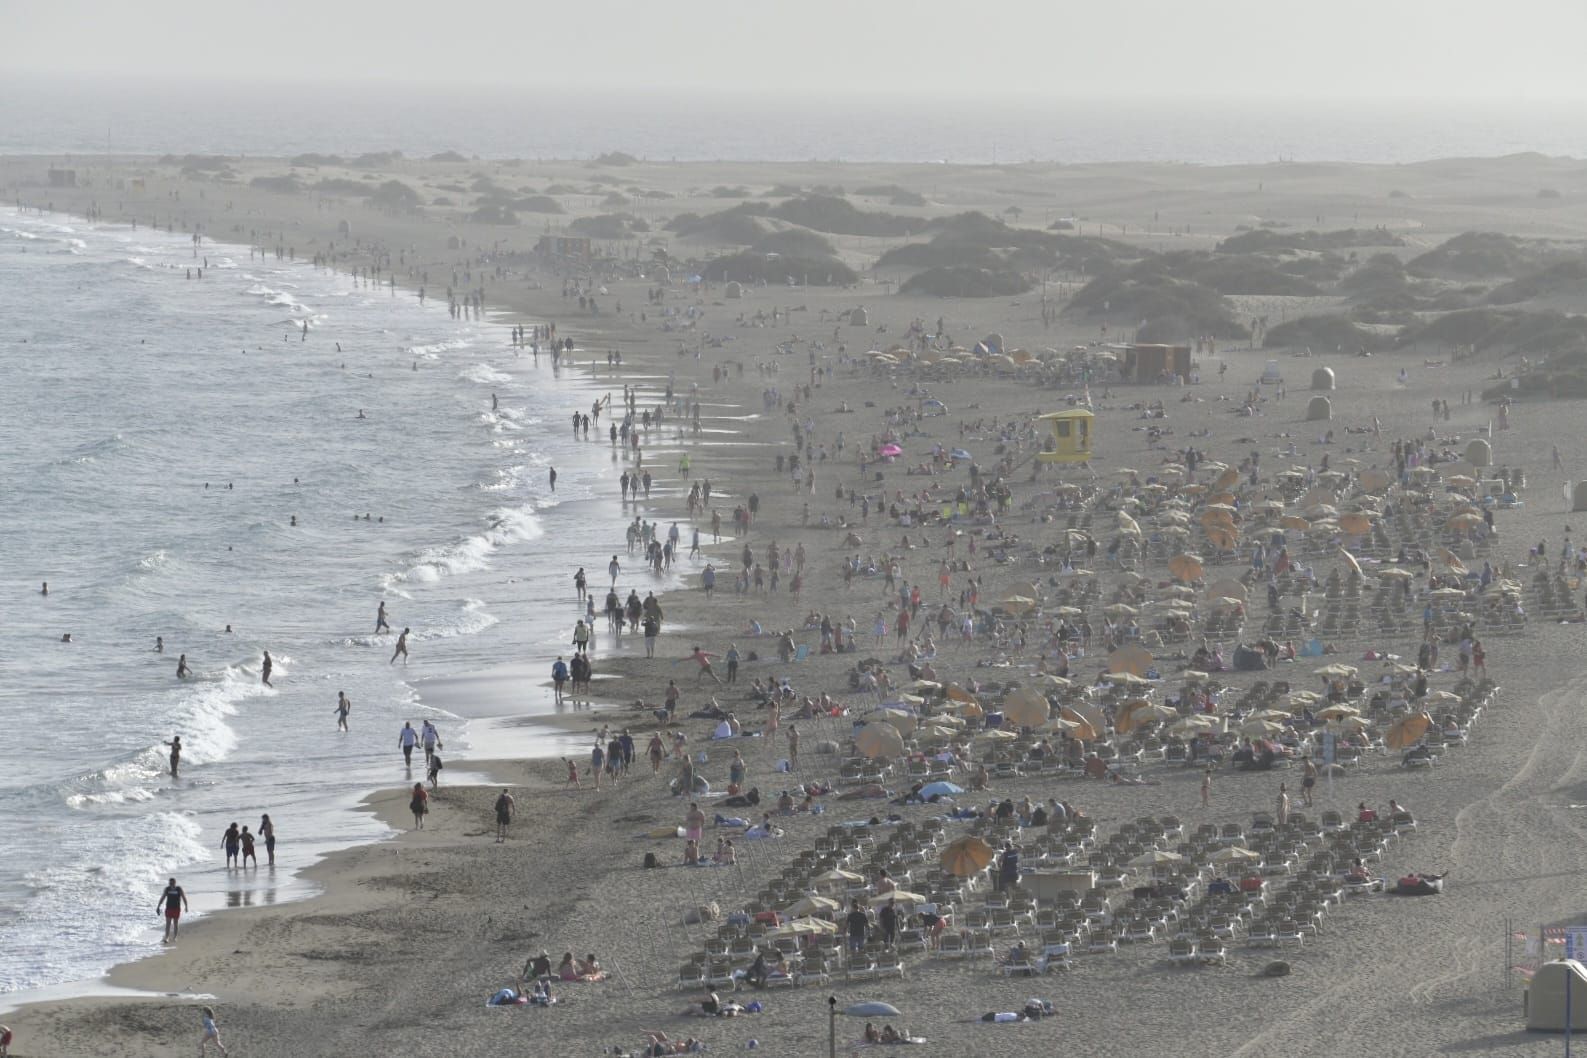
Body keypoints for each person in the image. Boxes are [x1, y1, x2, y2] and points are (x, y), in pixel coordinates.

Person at [158, 877, 188, 942]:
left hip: (176, 908)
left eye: (172, 882)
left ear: (175, 882)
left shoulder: (178, 889)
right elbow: (162, 898)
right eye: (170, 882)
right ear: (169, 883)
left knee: (175, 923)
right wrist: (158, 906)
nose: (171, 884)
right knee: (168, 923)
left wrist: (186, 906)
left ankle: (175, 937)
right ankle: (167, 937)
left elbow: (183, 897)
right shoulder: (167, 889)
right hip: (169, 908)